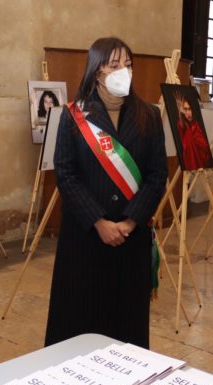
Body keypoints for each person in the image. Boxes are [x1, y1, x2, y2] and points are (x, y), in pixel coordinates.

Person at [45, 37, 167, 348]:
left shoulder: (149, 116)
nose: (123, 71)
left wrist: (130, 221)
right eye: (114, 65)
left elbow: (156, 175)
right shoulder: (74, 116)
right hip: (86, 238)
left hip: (131, 238)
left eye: (128, 65)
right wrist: (99, 221)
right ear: (97, 71)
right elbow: (66, 174)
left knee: (126, 326)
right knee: (79, 322)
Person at [175, 91, 213, 170]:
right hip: (191, 166)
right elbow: (181, 125)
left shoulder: (195, 125)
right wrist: (181, 113)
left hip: (201, 166)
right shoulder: (182, 125)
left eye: (189, 109)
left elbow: (204, 146)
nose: (188, 112)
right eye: (185, 109)